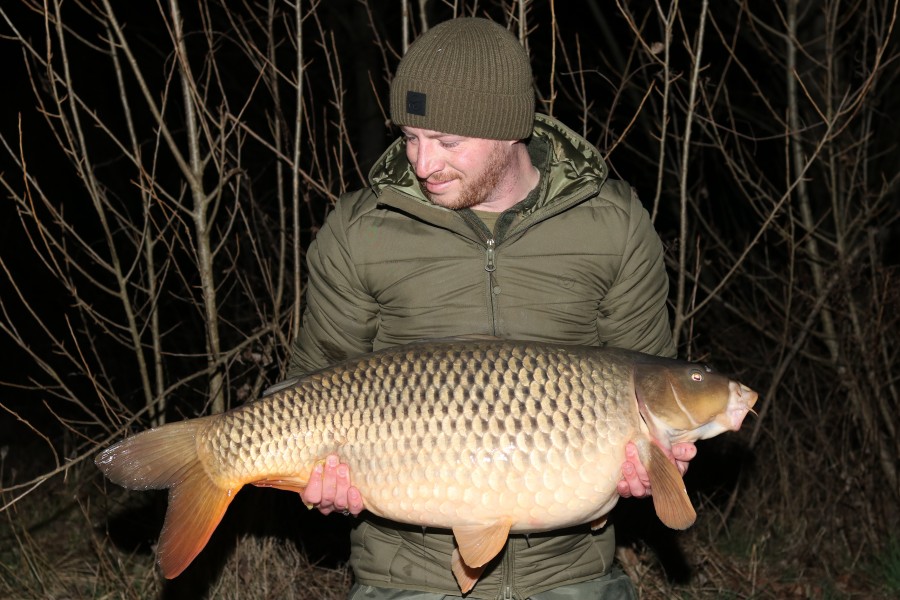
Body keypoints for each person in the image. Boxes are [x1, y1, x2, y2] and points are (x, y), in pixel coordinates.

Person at [287, 16, 696, 600]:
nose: (424, 164)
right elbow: (311, 383)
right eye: (410, 137)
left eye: (449, 142)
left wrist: (651, 467)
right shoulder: (360, 233)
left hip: (569, 575)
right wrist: (318, 475)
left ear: (509, 131)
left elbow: (651, 388)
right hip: (406, 578)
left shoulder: (615, 226)